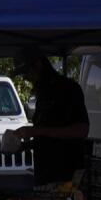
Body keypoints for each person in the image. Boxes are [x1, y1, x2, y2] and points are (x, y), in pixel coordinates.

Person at [24, 52, 90, 186]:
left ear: (38, 65)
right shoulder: (43, 93)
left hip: (65, 174)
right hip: (44, 174)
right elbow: (46, 137)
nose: (26, 78)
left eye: (28, 72)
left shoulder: (69, 89)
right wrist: (24, 146)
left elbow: (81, 130)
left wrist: (36, 131)